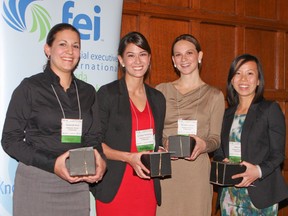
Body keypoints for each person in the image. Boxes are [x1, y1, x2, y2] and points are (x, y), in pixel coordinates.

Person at [1, 23, 106, 216]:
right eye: (63, 44)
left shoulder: (87, 91)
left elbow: (93, 138)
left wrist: (100, 161)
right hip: (37, 180)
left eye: (76, 46)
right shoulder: (30, 88)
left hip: (77, 183)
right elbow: (10, 140)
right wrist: (52, 164)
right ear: (48, 49)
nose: (70, 51)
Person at [90, 31, 166, 216]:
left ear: (149, 58)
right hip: (116, 185)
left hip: (147, 184)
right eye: (130, 55)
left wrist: (160, 150)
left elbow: (157, 139)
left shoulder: (158, 98)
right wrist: (128, 157)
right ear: (121, 60)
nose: (137, 61)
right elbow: (94, 142)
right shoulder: (107, 94)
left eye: (142, 55)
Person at [156, 34, 225, 215]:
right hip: (166, 173)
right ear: (173, 60)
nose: (184, 59)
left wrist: (204, 145)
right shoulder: (161, 91)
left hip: (196, 174)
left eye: (189, 53)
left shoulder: (215, 96)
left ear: (199, 56)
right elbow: (153, 132)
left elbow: (216, 139)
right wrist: (164, 142)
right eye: (178, 55)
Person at [213, 53, 288, 215]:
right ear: (232, 80)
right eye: (238, 73)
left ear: (259, 80)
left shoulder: (270, 110)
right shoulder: (227, 114)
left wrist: (258, 171)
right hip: (230, 196)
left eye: (250, 73)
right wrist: (223, 162)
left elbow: (278, 154)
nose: (243, 79)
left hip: (260, 195)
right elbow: (219, 153)